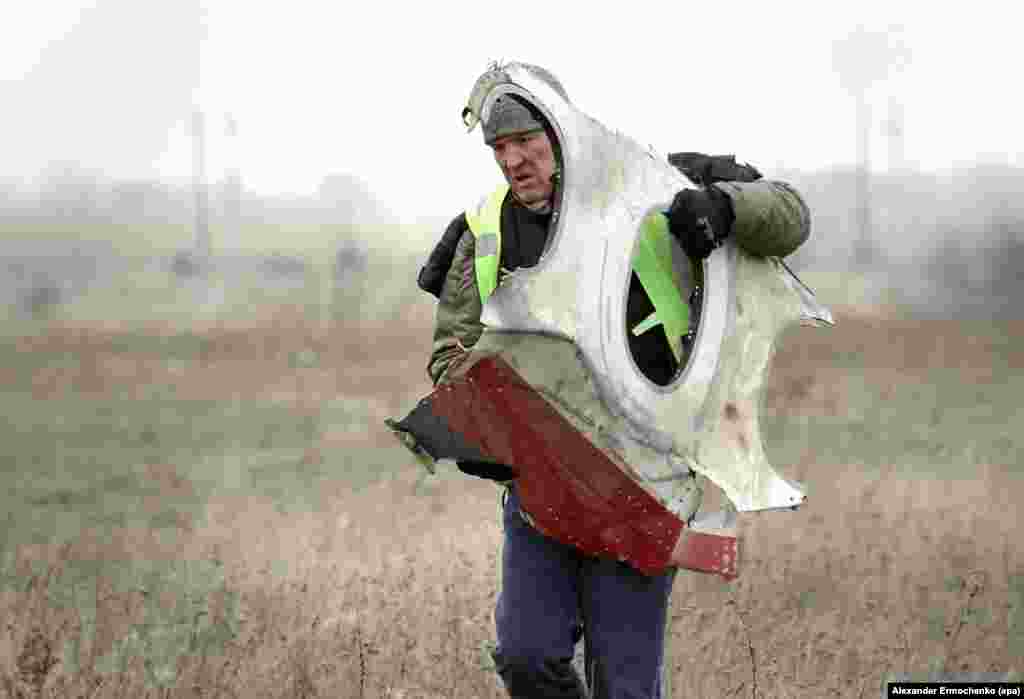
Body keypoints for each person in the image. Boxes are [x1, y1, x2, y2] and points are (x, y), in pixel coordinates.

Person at [416, 65, 810, 699]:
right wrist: (491, 417)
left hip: (643, 485)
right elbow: (448, 357)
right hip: (543, 488)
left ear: (564, 133)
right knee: (525, 655)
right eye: (500, 149)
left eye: (528, 143)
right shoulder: (481, 231)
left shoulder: (651, 183)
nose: (514, 161)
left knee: (624, 688)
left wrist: (723, 208)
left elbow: (790, 215)